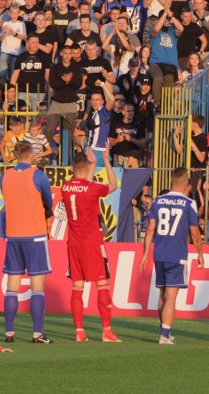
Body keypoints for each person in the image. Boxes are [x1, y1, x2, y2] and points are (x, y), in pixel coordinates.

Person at [139, 167, 204, 345]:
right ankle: (164, 335)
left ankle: (164, 329)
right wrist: (200, 253)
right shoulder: (189, 203)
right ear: (187, 184)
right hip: (177, 255)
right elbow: (195, 233)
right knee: (171, 297)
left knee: (162, 294)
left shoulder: (158, 200)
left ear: (170, 179)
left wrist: (145, 253)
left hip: (159, 253)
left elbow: (150, 228)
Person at [62, 147, 120, 343]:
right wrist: (106, 161)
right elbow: (114, 184)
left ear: (71, 168)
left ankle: (79, 331)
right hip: (93, 243)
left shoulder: (65, 187)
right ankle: (107, 331)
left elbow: (82, 183)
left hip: (74, 244)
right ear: (86, 167)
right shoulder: (92, 188)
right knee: (102, 285)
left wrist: (92, 164)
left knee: (77, 287)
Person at [0, 140, 54, 343]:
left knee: (12, 285)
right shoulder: (37, 175)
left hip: (13, 234)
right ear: (30, 155)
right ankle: (37, 333)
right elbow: (48, 200)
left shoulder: (5, 176)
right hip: (35, 234)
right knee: (37, 286)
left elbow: (7, 196)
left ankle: (9, 332)